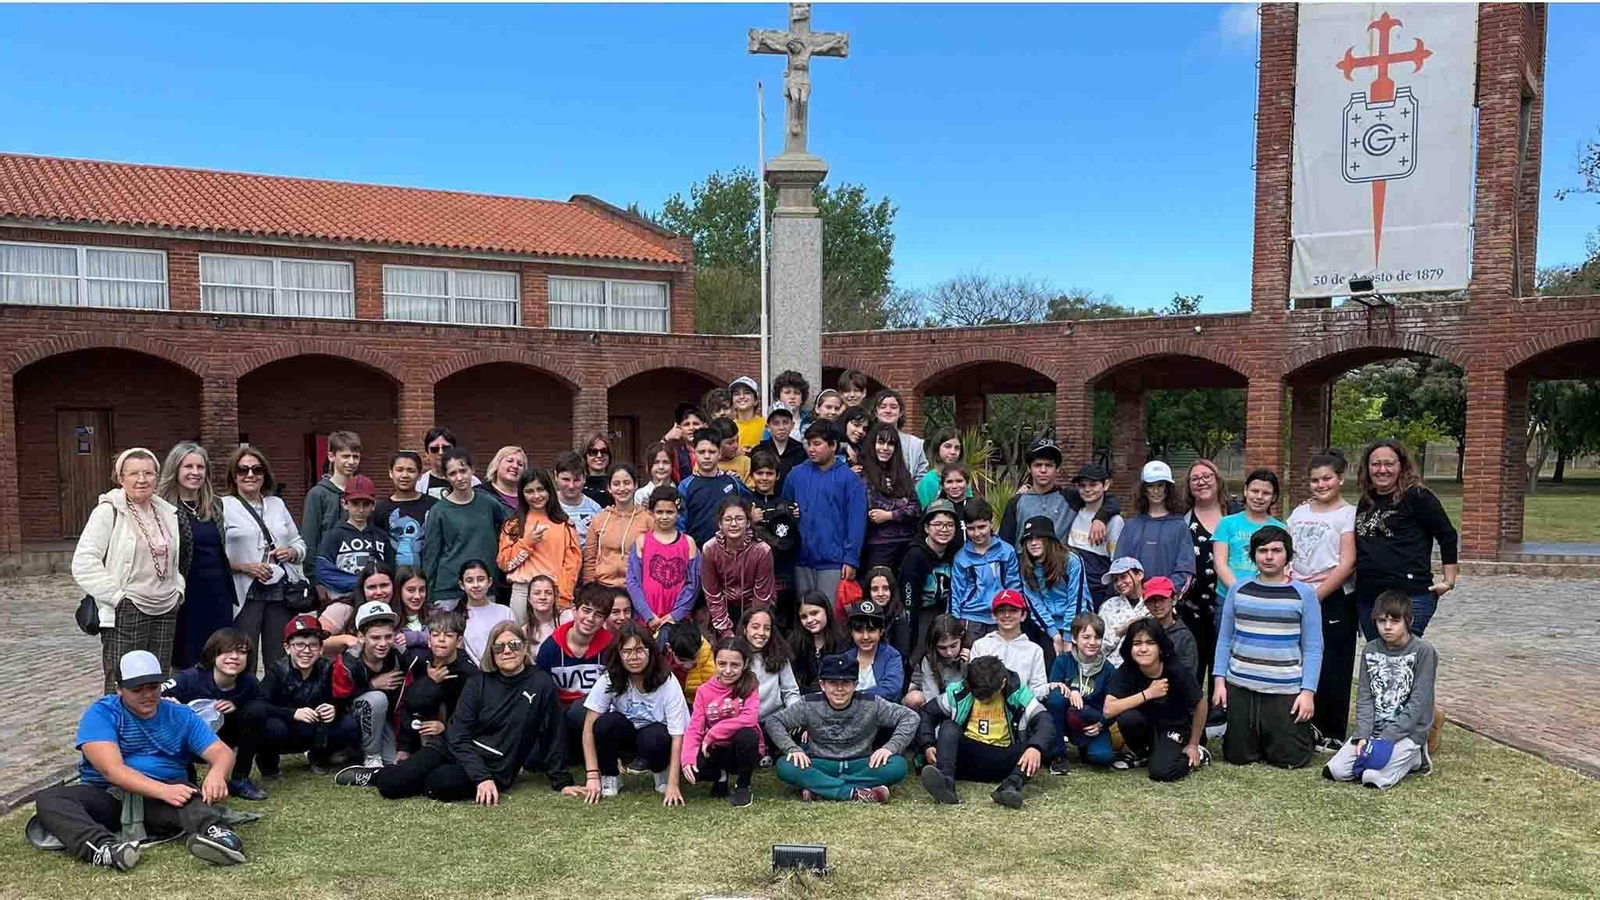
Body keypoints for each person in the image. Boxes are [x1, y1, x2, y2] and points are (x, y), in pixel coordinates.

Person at [32, 650, 248, 871]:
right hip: (109, 796)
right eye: (137, 690)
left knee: (187, 794)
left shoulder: (180, 715)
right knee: (51, 799)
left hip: (165, 799)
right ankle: (105, 849)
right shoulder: (102, 713)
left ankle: (222, 838)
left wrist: (216, 773)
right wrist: (161, 790)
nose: (147, 695)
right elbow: (112, 770)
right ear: (118, 689)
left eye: (153, 687)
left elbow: (222, 752)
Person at [344, 622, 570, 802]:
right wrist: (479, 777)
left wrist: (563, 782)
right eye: (499, 647)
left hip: (495, 766)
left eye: (514, 645)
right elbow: (458, 733)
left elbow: (553, 732)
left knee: (439, 784)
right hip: (451, 749)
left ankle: (422, 776)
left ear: (524, 648)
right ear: (491, 652)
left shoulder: (540, 683)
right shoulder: (478, 682)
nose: (507, 652)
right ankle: (376, 775)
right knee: (391, 786)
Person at [74, 447, 185, 693]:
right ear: (121, 478)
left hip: (165, 607)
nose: (142, 479)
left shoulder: (167, 513)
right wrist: (118, 598)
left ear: (157, 477)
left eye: (148, 473)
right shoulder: (108, 511)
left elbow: (175, 561)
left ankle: (151, 731)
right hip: (128, 609)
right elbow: (84, 562)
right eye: (133, 473)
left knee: (157, 681)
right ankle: (117, 731)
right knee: (122, 682)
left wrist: (178, 590)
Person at [1213, 525, 1323, 769]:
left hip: (1284, 688)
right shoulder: (1238, 589)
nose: (1269, 556)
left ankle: (1305, 731)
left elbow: (1314, 648)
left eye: (1276, 550)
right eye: (1262, 550)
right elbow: (1224, 639)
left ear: (1288, 555)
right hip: (1241, 686)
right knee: (1238, 757)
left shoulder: (1304, 594)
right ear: (1253, 555)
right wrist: (1219, 681)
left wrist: (1307, 693)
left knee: (1290, 760)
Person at [765, 653, 920, 804]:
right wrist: (792, 748)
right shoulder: (808, 703)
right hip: (820, 763)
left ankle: (821, 789)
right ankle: (854, 793)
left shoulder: (872, 703)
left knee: (898, 765)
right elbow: (774, 721)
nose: (839, 689)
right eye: (833, 683)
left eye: (846, 682)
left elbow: (910, 717)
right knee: (785, 765)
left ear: (855, 685)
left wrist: (889, 748)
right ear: (822, 685)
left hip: (861, 763)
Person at [563, 620, 688, 804]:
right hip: (627, 736)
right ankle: (610, 775)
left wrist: (673, 784)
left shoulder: (667, 681)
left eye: (639, 650)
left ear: (650, 652)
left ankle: (661, 771)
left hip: (656, 739)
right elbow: (588, 726)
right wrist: (592, 776)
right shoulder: (610, 678)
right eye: (626, 652)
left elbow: (678, 735)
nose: (633, 657)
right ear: (618, 655)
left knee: (655, 736)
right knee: (605, 723)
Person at [1323, 591, 1438, 789]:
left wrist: (1386, 739)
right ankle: (1396, 757)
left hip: (1407, 733)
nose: (1387, 627)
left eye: (1395, 621)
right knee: (1335, 771)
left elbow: (1419, 702)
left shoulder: (1423, 651)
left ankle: (1414, 757)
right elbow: (1365, 698)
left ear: (1408, 621)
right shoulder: (1370, 650)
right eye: (1381, 621)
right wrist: (1362, 736)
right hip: (1375, 731)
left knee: (1372, 777)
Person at [1352, 439, 1459, 640]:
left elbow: (1447, 535)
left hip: (1409, 596)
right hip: (1369, 596)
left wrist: (1449, 580)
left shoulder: (1417, 496)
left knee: (1401, 660)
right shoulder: (1367, 501)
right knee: (1379, 660)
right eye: (1375, 464)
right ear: (1367, 468)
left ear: (1401, 466)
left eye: (1389, 464)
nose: (1382, 470)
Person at [1289, 449, 1359, 751]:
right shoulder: (1299, 513)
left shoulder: (1348, 514)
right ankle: (1305, 724)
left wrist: (1316, 596)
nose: (1320, 485)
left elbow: (1347, 562)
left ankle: (1332, 730)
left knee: (1334, 661)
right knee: (1302, 659)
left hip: (1331, 597)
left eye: (1327, 479)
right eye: (1315, 480)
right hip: (1298, 592)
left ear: (1340, 479)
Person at [918, 655, 1052, 809]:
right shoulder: (960, 691)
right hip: (966, 759)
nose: (982, 700)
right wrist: (927, 745)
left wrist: (1035, 748)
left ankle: (1010, 787)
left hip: (1005, 761)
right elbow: (927, 713)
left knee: (1034, 744)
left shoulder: (1019, 693)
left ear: (1002, 684)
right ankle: (946, 783)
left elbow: (1045, 721)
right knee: (948, 727)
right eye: (978, 696)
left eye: (987, 697)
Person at [221, 444, 306, 674]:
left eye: (257, 470)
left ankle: (274, 706)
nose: (250, 475)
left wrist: (290, 552)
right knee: (242, 655)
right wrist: (245, 567)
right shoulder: (222, 506)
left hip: (280, 591)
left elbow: (299, 543)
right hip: (245, 593)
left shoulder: (276, 504)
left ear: (265, 474)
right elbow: (215, 557)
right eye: (243, 470)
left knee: (279, 658)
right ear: (233, 475)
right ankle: (245, 706)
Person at [161, 627, 266, 800]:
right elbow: (154, 695)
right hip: (190, 741)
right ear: (213, 654)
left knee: (257, 710)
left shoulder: (249, 682)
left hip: (224, 741)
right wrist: (176, 708)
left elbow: (265, 705)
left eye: (241, 652)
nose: (234, 657)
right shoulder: (188, 678)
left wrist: (237, 704)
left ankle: (240, 779)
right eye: (227, 651)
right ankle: (186, 775)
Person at [1103, 619, 1209, 781]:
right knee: (1127, 718)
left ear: (1160, 647)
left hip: (1175, 727)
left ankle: (1199, 755)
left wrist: (1193, 744)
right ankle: (1145, 753)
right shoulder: (1127, 669)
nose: (1143, 649)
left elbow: (1201, 703)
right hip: (1147, 725)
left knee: (1161, 772)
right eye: (1137, 643)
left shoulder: (1175, 670)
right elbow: (1108, 710)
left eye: (1150, 643)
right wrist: (1148, 693)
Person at [252, 615, 354, 778]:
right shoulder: (276, 671)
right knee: (269, 725)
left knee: (349, 722)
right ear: (287, 647)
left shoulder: (328, 668)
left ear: (321, 649)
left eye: (313, 645)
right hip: (285, 728)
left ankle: (320, 757)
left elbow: (344, 698)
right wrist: (292, 713)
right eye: (299, 645)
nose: (306, 651)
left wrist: (335, 707)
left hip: (314, 727)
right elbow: (258, 705)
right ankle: (268, 764)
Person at [159, 442, 232, 672]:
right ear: (175, 470)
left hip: (218, 593)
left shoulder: (215, 505)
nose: (195, 472)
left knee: (217, 655)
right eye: (188, 466)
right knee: (185, 659)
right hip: (185, 594)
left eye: (200, 467)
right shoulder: (162, 507)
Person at [781, 419, 867, 601]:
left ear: (833, 445)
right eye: (809, 444)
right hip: (801, 559)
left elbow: (857, 522)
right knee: (806, 615)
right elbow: (784, 509)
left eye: (817, 444)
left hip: (834, 562)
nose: (811, 449)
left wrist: (851, 559)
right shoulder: (796, 474)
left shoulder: (849, 479)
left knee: (831, 617)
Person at [680, 636, 763, 808]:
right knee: (692, 767)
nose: (727, 670)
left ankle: (743, 785)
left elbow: (750, 718)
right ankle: (720, 776)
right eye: (722, 664)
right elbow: (695, 727)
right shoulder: (703, 691)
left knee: (748, 735)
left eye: (735, 665)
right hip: (715, 750)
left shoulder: (750, 684)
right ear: (715, 661)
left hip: (741, 750)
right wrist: (687, 758)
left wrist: (713, 733)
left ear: (745, 664)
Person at [422, 449, 509, 611]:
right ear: (446, 477)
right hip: (448, 589)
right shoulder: (438, 511)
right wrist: (428, 594)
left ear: (472, 471)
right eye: (453, 473)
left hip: (484, 586)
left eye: (463, 471)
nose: (460, 477)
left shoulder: (489, 504)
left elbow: (511, 528)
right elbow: (431, 555)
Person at [535, 585, 614, 759]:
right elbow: (541, 691)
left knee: (580, 709)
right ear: (574, 610)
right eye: (586, 610)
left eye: (598, 615)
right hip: (560, 714)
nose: (590, 619)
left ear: (604, 620)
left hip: (597, 714)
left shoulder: (611, 647)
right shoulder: (550, 648)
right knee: (533, 760)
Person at [998, 438, 1118, 548]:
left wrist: (1100, 519)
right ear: (1029, 468)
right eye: (1038, 465)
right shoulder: (1017, 502)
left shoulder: (1070, 497)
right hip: (1024, 568)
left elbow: (1109, 499)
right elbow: (1005, 545)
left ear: (1058, 469)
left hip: (1060, 568)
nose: (1043, 470)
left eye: (1049, 465)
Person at [332, 598, 410, 768]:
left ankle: (372, 752)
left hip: (385, 718)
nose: (383, 644)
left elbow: (404, 702)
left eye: (388, 636)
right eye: (375, 637)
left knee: (393, 763)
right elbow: (338, 703)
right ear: (361, 636)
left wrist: (403, 745)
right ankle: (371, 756)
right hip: (351, 717)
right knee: (377, 699)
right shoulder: (347, 663)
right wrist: (372, 686)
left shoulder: (400, 656)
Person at [1179, 458, 1237, 686]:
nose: (1201, 482)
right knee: (1191, 670)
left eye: (1207, 476)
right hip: (1190, 607)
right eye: (1195, 478)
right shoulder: (1182, 517)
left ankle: (1220, 718)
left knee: (1222, 670)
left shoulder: (1236, 513)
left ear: (1218, 480)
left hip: (1227, 604)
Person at [500, 468, 581, 622]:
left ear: (549, 490)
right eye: (529, 491)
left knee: (554, 644)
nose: (536, 496)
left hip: (554, 592)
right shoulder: (513, 525)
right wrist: (527, 543)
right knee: (521, 642)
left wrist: (563, 596)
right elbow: (504, 564)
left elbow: (572, 565)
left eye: (540, 489)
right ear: (522, 494)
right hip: (522, 593)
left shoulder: (564, 524)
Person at [394, 609, 474, 762]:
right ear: (429, 641)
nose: (441, 640)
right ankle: (409, 750)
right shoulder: (418, 662)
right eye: (436, 635)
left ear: (458, 641)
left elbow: (472, 714)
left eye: (449, 635)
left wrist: (446, 728)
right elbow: (409, 704)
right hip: (419, 728)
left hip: (455, 734)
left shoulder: (469, 672)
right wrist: (404, 747)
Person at [1017, 515, 1092, 668]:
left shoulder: (1071, 561)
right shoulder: (1026, 566)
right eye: (1029, 539)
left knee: (1076, 667)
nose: (1033, 543)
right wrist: (1054, 634)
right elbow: (1034, 604)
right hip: (1048, 624)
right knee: (1051, 667)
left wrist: (1067, 637)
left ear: (1050, 540)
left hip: (1078, 622)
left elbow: (1077, 600)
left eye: (1039, 538)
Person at [1044, 612, 1116, 773]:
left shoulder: (1109, 669)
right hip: (1066, 717)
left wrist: (1102, 724)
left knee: (1103, 758)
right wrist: (1071, 690)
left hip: (1091, 720)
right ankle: (1059, 754)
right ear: (1075, 639)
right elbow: (1051, 692)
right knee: (1056, 697)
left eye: (1097, 637)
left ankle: (1085, 747)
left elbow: (1114, 705)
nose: (1092, 642)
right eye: (1086, 637)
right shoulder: (1063, 661)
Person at [1115, 460, 1195, 600]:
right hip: (1134, 602)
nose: (1156, 491)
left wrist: (1165, 594)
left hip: (1165, 602)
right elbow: (1119, 566)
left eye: (1160, 485)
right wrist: (1136, 594)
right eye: (1151, 486)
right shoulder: (1131, 526)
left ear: (1168, 488)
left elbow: (1185, 569)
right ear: (1143, 489)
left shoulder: (1179, 526)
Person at [313, 475, 394, 607]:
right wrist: (362, 582)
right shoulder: (334, 535)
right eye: (355, 503)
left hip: (376, 602)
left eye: (366, 504)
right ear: (344, 504)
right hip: (343, 600)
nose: (360, 510)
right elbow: (323, 572)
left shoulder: (381, 537)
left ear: (373, 505)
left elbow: (391, 571)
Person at [628, 485, 700, 633]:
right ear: (651, 513)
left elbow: (693, 584)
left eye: (670, 512)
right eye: (659, 512)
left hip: (678, 620)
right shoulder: (642, 541)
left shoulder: (688, 543)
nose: (665, 516)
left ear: (678, 513)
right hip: (646, 618)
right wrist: (648, 615)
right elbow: (632, 581)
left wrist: (675, 615)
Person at [701, 495, 775, 639]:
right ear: (720, 524)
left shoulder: (762, 550)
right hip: (722, 609)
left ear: (748, 523)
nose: (733, 524)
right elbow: (712, 594)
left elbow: (762, 596)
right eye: (728, 519)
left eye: (739, 519)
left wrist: (751, 628)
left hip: (755, 607)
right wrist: (725, 630)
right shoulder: (710, 549)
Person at [949, 498, 1023, 640]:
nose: (977, 533)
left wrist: (1016, 612)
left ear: (991, 524)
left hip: (1001, 614)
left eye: (981, 527)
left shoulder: (1006, 551)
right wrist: (954, 621)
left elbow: (1014, 586)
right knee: (971, 659)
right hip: (971, 616)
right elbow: (956, 593)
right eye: (971, 529)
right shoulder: (961, 557)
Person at [300, 430, 361, 595]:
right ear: (331, 456)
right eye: (346, 456)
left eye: (355, 456)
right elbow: (309, 540)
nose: (351, 461)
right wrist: (315, 581)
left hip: (359, 577)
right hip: (328, 579)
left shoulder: (362, 491)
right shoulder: (318, 494)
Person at [900, 499, 962, 659]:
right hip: (919, 611)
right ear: (927, 527)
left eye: (949, 525)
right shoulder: (915, 555)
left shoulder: (956, 551)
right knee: (916, 652)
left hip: (945, 609)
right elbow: (908, 600)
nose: (944, 529)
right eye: (938, 524)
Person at [860, 421, 921, 581]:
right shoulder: (863, 473)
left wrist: (890, 515)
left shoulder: (903, 474)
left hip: (907, 543)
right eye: (881, 442)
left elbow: (916, 508)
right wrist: (903, 503)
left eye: (891, 444)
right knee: (879, 594)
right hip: (878, 546)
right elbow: (873, 507)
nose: (885, 448)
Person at [1212, 468, 1287, 597]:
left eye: (1266, 493)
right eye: (1254, 491)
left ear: (1273, 497)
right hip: (1228, 595)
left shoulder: (1282, 528)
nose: (1259, 497)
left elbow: (1284, 567)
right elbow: (1220, 563)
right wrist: (1239, 590)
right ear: (1246, 491)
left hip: (1265, 596)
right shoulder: (1227, 523)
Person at [748, 449, 800, 626]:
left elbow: (788, 544)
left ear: (777, 476)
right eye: (759, 473)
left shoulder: (786, 504)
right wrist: (750, 521)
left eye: (769, 473)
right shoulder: (744, 504)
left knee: (783, 626)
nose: (764, 478)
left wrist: (789, 516)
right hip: (752, 579)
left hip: (782, 577)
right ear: (751, 475)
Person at [678, 427, 751, 549]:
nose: (707, 456)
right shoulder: (685, 486)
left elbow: (748, 510)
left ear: (720, 453)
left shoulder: (733, 482)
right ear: (694, 453)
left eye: (712, 452)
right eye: (701, 452)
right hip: (697, 553)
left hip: (731, 554)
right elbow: (679, 524)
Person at [584, 462, 651, 589]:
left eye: (627, 483)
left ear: (635, 485)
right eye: (616, 484)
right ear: (609, 488)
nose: (621, 488)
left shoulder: (647, 520)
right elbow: (590, 559)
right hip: (603, 588)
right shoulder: (599, 519)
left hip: (636, 589)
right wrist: (589, 589)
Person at [1066, 462, 1123, 609]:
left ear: (1106, 485)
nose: (1087, 489)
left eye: (1093, 484)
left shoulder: (1115, 521)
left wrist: (1109, 597)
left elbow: (1117, 562)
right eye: (1082, 485)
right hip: (1071, 589)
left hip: (1098, 592)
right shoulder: (1073, 511)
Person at [971, 589, 1047, 696]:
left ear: (1023, 615)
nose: (1007, 615)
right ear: (993, 615)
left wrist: (1049, 688)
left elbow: (1038, 688)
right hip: (985, 706)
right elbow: (973, 682)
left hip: (1020, 708)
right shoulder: (980, 645)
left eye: (1013, 610)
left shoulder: (1034, 650)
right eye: (1001, 610)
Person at [741, 608, 800, 746]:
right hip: (745, 721)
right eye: (755, 627)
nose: (761, 633)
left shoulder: (779, 654)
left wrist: (795, 713)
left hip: (775, 719)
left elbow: (790, 691)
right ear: (745, 629)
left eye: (767, 628)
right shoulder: (736, 655)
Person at [374, 450, 436, 569]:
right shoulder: (380, 509)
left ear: (419, 475)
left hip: (426, 579)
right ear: (391, 473)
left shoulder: (434, 506)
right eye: (399, 470)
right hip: (392, 579)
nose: (405, 475)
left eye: (411, 470)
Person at [1141, 577, 1198, 691]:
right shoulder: (1142, 631)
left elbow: (1188, 677)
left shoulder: (1184, 637)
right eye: (1152, 600)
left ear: (1174, 599)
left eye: (1162, 599)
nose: (1157, 605)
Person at [903, 613, 967, 712]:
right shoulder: (929, 659)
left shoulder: (973, 652)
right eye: (942, 648)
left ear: (961, 638)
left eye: (953, 646)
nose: (949, 653)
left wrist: (970, 665)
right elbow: (931, 696)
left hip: (965, 703)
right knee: (913, 698)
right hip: (941, 702)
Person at [843, 599, 904, 701]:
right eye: (859, 630)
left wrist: (856, 697)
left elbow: (891, 688)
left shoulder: (891, 656)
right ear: (851, 632)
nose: (865, 636)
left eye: (871, 630)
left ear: (881, 631)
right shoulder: (845, 658)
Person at [458, 559, 515, 667]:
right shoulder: (457, 617)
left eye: (480, 579)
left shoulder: (505, 612)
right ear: (462, 585)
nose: (476, 585)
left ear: (489, 582)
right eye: (470, 580)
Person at [1098, 557, 1152, 667]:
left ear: (1139, 575)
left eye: (1123, 577)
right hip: (1114, 669)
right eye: (1115, 580)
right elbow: (1098, 648)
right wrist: (1120, 631)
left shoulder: (1153, 603)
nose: (1119, 583)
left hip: (1147, 668)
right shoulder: (1108, 606)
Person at [790, 590, 847, 693]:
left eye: (814, 613)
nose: (809, 620)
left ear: (826, 611)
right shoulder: (794, 644)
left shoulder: (843, 641)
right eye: (804, 617)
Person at [867, 389, 927, 480]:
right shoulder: (865, 439)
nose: (888, 411)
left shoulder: (915, 444)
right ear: (876, 412)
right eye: (883, 407)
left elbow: (921, 478)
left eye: (893, 407)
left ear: (901, 412)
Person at [554, 450, 604, 547]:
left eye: (576, 480)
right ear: (556, 476)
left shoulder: (595, 509)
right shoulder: (546, 505)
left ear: (585, 478)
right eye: (566, 479)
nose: (571, 486)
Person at [415, 426, 481, 500]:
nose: (441, 452)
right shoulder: (420, 483)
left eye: (446, 448)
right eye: (435, 449)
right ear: (426, 454)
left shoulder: (472, 481)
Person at [667, 619, 716, 703]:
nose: (688, 665)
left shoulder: (712, 666)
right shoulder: (661, 654)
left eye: (693, 659)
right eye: (682, 660)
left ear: (699, 649)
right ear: (669, 648)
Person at [755, 406, 806, 484]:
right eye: (776, 423)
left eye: (785, 422)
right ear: (768, 427)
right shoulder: (759, 450)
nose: (781, 427)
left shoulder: (801, 451)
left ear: (792, 425)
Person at [524, 574, 573, 653]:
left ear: (555, 597)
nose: (543, 597)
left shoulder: (568, 618)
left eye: (548, 593)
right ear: (529, 599)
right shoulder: (524, 631)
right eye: (537, 593)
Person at [916, 427, 963, 507]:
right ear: (937, 448)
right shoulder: (928, 481)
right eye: (947, 446)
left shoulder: (962, 479)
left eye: (957, 448)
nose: (953, 452)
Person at [391, 566, 433, 650]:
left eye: (422, 590)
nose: (417, 596)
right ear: (399, 590)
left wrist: (414, 638)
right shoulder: (390, 619)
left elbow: (446, 638)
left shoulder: (436, 614)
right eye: (411, 590)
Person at [662, 404, 705, 484]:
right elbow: (655, 462)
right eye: (686, 424)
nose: (691, 428)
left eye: (696, 424)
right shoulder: (676, 455)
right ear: (679, 428)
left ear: (704, 426)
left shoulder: (713, 449)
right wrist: (666, 439)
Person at [580, 432, 617, 509]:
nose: (599, 455)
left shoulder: (616, 484)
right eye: (593, 452)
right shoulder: (577, 485)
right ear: (585, 455)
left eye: (604, 451)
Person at [729, 376, 767, 451]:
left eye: (747, 393)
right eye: (736, 394)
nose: (742, 396)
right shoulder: (728, 428)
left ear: (756, 400)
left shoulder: (766, 425)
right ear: (732, 402)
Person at [635, 441, 678, 507]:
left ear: (672, 465)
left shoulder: (679, 491)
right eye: (656, 462)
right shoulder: (641, 494)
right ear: (648, 465)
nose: (661, 467)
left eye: (666, 462)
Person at [712, 416, 753, 484]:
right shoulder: (705, 464)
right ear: (716, 444)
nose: (736, 446)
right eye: (730, 443)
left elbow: (751, 492)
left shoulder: (746, 463)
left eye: (737, 440)